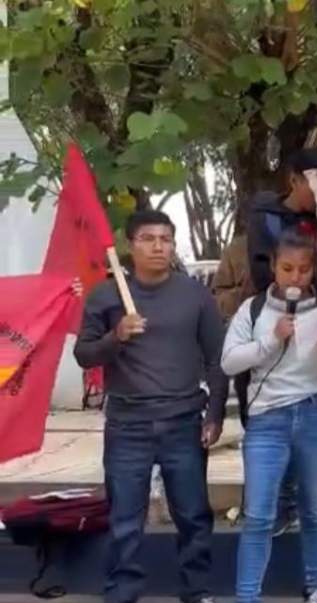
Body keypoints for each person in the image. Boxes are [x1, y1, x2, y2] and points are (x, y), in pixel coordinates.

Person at [74, 210, 226, 603]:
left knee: (193, 516)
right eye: (148, 238)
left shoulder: (194, 294)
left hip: (184, 421)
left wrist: (215, 414)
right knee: (125, 520)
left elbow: (216, 359)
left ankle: (197, 591)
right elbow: (84, 355)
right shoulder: (107, 295)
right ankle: (123, 594)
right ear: (130, 245)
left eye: (166, 239)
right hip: (128, 425)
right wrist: (116, 335)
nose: (158, 246)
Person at [221, 228, 317, 603]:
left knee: (315, 508)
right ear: (274, 267)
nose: (295, 277)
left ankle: (316, 587)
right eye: (287, 268)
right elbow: (228, 361)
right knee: (258, 513)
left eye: (304, 269)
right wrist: (272, 339)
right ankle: (247, 595)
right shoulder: (253, 309)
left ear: (314, 269)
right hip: (269, 418)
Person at [246, 147, 317, 536]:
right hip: (280, 328)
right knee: (278, 429)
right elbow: (267, 275)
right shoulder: (268, 220)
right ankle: (279, 509)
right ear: (295, 180)